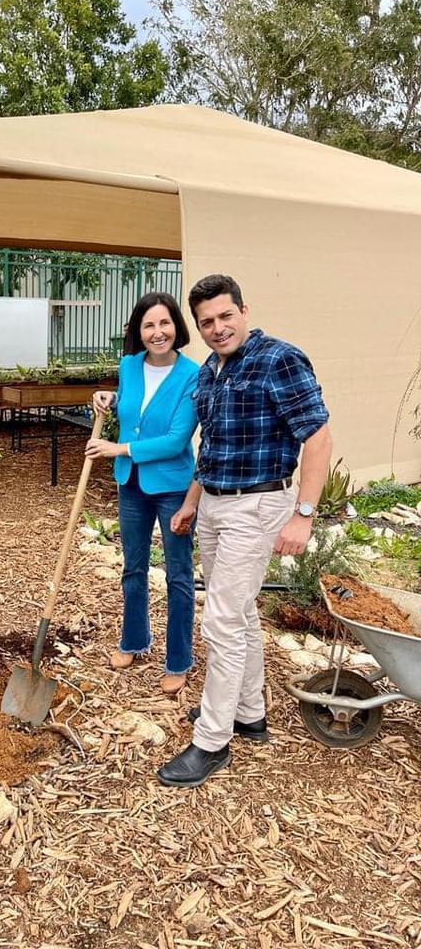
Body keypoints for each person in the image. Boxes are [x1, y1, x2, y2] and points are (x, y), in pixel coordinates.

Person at [157, 274, 331, 789]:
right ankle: (249, 712)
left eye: (225, 316)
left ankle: (212, 741)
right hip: (213, 503)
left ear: (243, 310)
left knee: (222, 621)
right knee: (239, 614)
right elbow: (211, 445)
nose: (216, 328)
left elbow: (317, 439)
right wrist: (192, 502)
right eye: (206, 322)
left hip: (258, 505)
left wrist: (304, 513)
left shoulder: (279, 359)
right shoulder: (212, 369)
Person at [87, 292, 199, 694]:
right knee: (133, 569)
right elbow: (131, 412)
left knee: (178, 575)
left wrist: (119, 448)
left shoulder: (192, 374)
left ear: (177, 327)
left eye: (164, 324)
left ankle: (178, 659)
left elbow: (174, 439)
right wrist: (108, 399)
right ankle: (133, 641)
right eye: (148, 325)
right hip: (131, 484)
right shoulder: (129, 366)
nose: (157, 333)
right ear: (138, 330)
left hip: (171, 487)